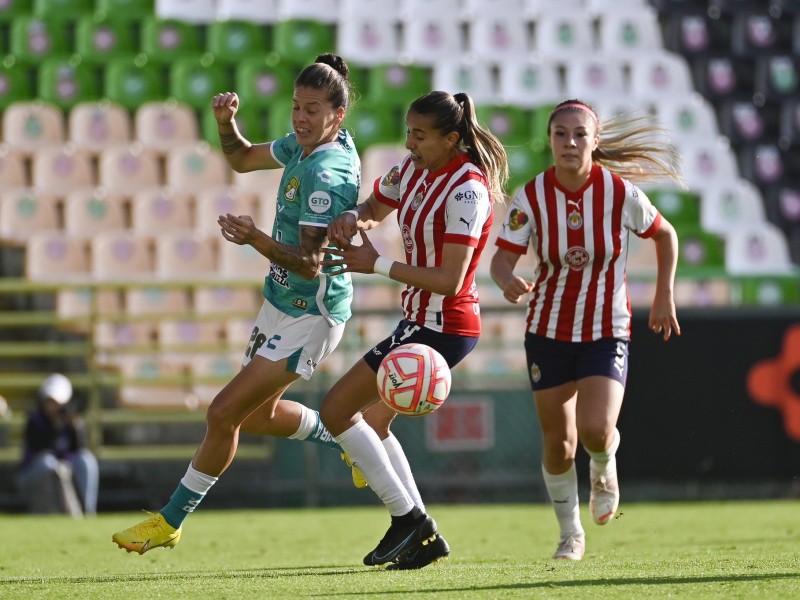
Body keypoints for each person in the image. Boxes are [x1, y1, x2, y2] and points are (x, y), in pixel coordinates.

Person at [112, 53, 361, 554]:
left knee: (223, 413)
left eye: (312, 109)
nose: (300, 117)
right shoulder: (304, 147)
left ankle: (170, 520)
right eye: (296, 106)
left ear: (338, 115)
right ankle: (350, 441)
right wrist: (227, 124)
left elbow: (311, 264)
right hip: (280, 304)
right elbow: (243, 158)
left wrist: (255, 239)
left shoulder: (328, 174)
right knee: (257, 417)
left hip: (310, 312)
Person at [321, 90, 509, 570]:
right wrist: (351, 217)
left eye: (420, 135)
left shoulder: (468, 188)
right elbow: (374, 206)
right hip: (420, 320)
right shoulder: (412, 169)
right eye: (407, 131)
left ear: (451, 139)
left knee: (338, 408)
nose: (409, 143)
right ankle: (421, 531)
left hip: (444, 325)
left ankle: (409, 521)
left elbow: (450, 281)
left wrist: (376, 263)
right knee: (375, 421)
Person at [490, 99, 682, 561]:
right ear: (550, 139)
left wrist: (663, 295)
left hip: (604, 328)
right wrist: (504, 278)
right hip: (547, 331)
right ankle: (570, 534)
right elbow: (502, 258)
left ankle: (604, 466)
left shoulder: (618, 193)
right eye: (561, 133)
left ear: (595, 141)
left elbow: (665, 234)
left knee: (596, 430)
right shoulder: (531, 196)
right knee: (559, 445)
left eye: (580, 134)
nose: (570, 142)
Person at [16, 373, 99, 517]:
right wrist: (56, 427)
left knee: (86, 459)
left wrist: (73, 425)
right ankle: (47, 512)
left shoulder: (72, 422)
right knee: (47, 463)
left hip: (66, 477)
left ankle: (87, 512)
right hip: (34, 476)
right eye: (49, 401)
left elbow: (78, 451)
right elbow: (40, 452)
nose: (52, 406)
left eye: (56, 402)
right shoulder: (35, 421)